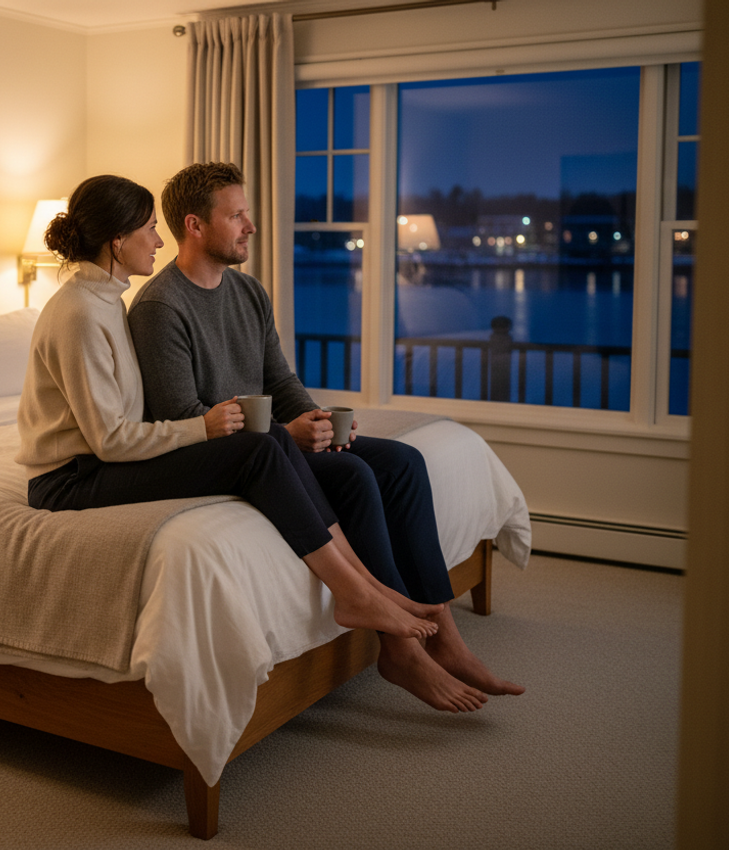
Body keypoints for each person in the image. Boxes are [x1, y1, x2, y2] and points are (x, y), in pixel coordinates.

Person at [128, 162, 523, 711]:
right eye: (237, 215)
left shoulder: (247, 292)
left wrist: (313, 422)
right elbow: (185, 417)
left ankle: (442, 627)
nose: (251, 226)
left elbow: (279, 379)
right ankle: (399, 650)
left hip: (273, 441)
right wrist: (286, 435)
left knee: (404, 462)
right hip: (232, 455)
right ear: (194, 226)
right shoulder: (158, 308)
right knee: (355, 475)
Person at [15, 174, 453, 656]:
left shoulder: (106, 301)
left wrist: (311, 419)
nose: (159, 239)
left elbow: (275, 379)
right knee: (264, 448)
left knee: (340, 453)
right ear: (117, 241)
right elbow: (108, 440)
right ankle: (358, 593)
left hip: (106, 461)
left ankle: (368, 590)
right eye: (148, 228)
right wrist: (202, 426)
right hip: (71, 479)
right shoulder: (82, 313)